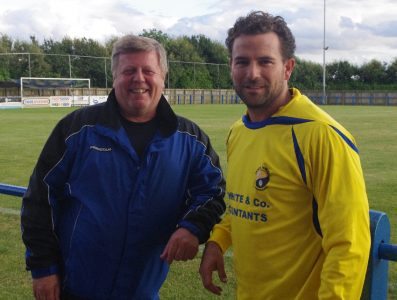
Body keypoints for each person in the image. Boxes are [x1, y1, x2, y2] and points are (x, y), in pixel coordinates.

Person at [21, 34, 226, 300]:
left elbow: (213, 192)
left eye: (148, 70)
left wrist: (192, 227)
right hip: (73, 289)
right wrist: (43, 268)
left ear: (163, 76)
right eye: (128, 70)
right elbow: (40, 199)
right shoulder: (76, 130)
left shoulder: (191, 140)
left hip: (142, 292)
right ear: (115, 77)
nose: (138, 78)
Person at [199, 11, 370, 299]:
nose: (252, 73)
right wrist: (218, 241)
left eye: (265, 61)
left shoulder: (322, 136)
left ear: (288, 67)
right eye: (242, 61)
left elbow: (349, 244)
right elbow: (244, 202)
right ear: (231, 66)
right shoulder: (238, 131)